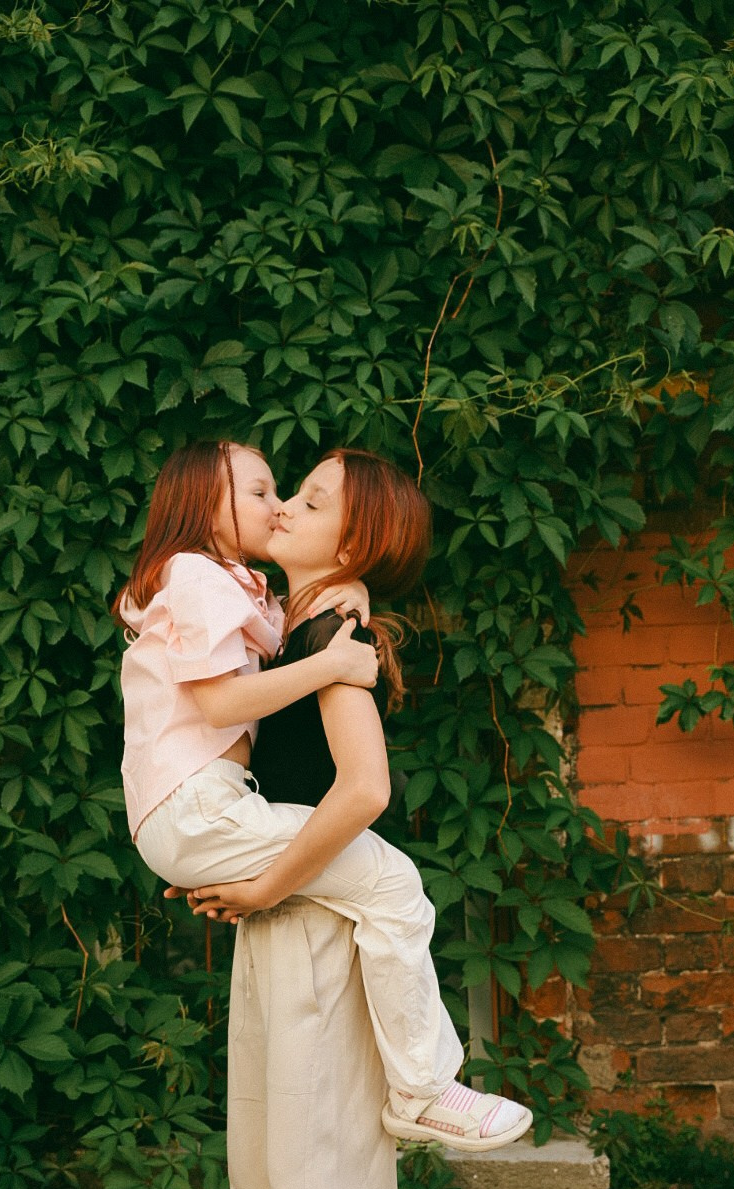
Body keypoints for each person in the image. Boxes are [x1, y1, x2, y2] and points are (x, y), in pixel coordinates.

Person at [118, 441, 532, 1152]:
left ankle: (421, 1090)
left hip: (195, 814)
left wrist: (354, 594)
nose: (278, 507)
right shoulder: (201, 579)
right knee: (397, 883)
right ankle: (423, 1091)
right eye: (267, 494)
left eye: (306, 501)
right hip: (198, 809)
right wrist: (341, 652)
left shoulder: (250, 598)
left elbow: (293, 648)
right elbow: (225, 704)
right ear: (201, 509)